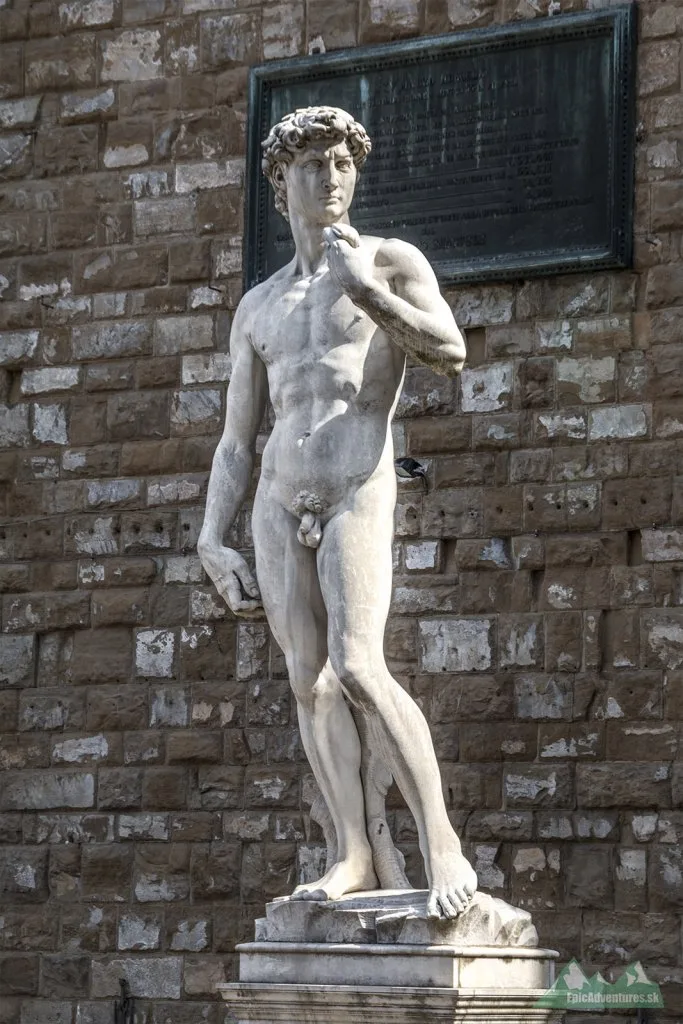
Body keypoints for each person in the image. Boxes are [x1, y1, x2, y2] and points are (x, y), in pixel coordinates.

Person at [198, 106, 476, 919]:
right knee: (308, 682)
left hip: (357, 483)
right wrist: (211, 538)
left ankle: (441, 840)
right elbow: (235, 440)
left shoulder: (389, 262)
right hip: (278, 502)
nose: (332, 178)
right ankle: (352, 850)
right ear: (281, 180)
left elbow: (450, 351)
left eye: (344, 164)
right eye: (314, 165)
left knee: (358, 665)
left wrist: (366, 294)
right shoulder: (257, 307)